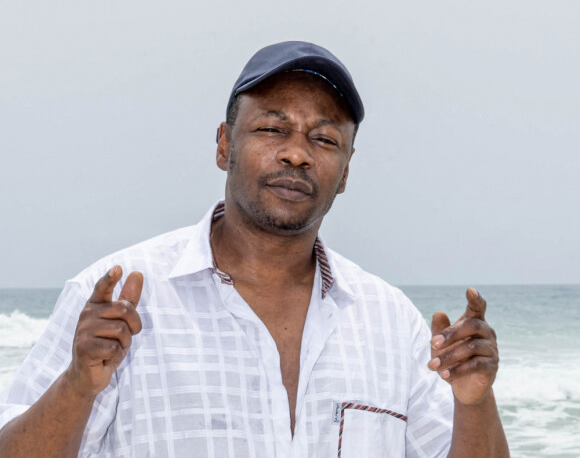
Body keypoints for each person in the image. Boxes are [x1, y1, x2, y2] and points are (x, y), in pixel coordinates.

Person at [0, 41, 509, 457]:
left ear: (347, 171)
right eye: (272, 128)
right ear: (224, 145)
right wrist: (77, 386)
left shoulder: (391, 322)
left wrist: (475, 400)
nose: (296, 153)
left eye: (325, 140)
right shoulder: (121, 301)